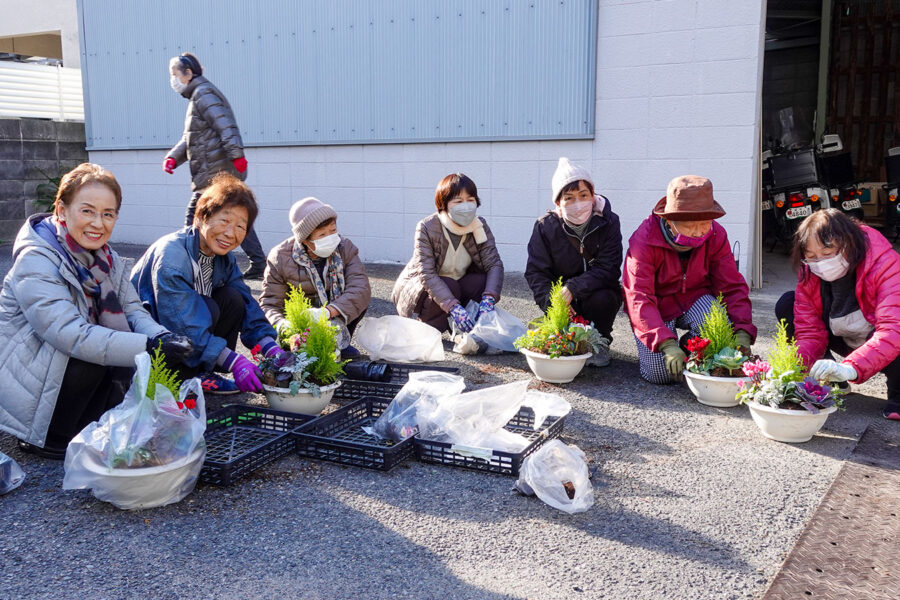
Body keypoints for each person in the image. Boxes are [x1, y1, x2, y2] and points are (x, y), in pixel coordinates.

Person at [0, 164, 192, 459]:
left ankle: (86, 424)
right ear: (62, 211)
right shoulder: (36, 260)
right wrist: (148, 346)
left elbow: (131, 311)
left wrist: (163, 337)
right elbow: (70, 335)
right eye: (87, 211)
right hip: (31, 386)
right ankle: (49, 437)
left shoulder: (105, 257)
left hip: (62, 369)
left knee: (117, 345)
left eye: (108, 213)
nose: (98, 223)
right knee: (95, 351)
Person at [131, 173, 287, 395]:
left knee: (232, 298)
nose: (230, 233)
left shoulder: (223, 257)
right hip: (151, 344)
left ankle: (202, 373)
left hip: (186, 337)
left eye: (241, 227)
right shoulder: (172, 258)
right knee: (208, 307)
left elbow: (246, 301)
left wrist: (270, 347)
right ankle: (180, 378)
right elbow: (181, 323)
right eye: (224, 220)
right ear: (202, 217)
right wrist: (233, 361)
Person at [622, 175, 755, 384]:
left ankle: (687, 346)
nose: (698, 232)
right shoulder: (644, 240)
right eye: (689, 225)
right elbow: (638, 297)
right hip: (658, 306)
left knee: (717, 338)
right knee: (661, 375)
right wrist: (665, 343)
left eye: (704, 224)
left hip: (696, 298)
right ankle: (672, 344)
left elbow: (731, 284)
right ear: (668, 219)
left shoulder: (716, 235)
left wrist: (742, 328)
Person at [775, 209, 900, 420]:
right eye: (811, 256)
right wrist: (792, 367)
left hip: (884, 340)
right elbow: (809, 331)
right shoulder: (809, 273)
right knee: (787, 304)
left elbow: (893, 330)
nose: (821, 263)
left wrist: (851, 367)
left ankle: (897, 391)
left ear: (849, 242)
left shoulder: (886, 264)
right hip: (844, 337)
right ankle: (830, 377)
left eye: (827, 253)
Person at [163, 52, 266, 279]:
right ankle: (258, 263)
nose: (173, 80)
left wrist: (237, 155)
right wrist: (173, 158)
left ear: (188, 73)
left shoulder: (204, 94)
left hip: (216, 175)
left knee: (194, 218)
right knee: (235, 218)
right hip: (212, 173)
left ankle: (187, 265)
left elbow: (226, 126)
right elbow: (190, 138)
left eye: (175, 74)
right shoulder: (198, 96)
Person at [525, 157, 623, 366]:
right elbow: (536, 273)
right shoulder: (545, 227)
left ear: (593, 195)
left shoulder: (609, 221)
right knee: (557, 345)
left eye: (583, 195)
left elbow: (609, 267)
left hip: (594, 293)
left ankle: (600, 341)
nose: (578, 203)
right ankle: (566, 336)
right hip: (562, 300)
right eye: (569, 197)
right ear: (558, 202)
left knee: (605, 297)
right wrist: (553, 304)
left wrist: (573, 287)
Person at [260, 197, 372, 359]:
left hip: (332, 314)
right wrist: (284, 325)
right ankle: (300, 347)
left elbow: (360, 288)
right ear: (305, 239)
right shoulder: (280, 257)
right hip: (300, 322)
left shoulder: (345, 247)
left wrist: (327, 312)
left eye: (333, 231)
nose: (331, 237)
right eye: (322, 234)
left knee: (359, 300)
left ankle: (339, 342)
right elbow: (270, 303)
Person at [392, 173, 504, 334]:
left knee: (480, 281)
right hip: (423, 287)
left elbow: (494, 264)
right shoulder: (427, 227)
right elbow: (427, 274)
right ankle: (429, 326)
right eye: (458, 201)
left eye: (470, 200)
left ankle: (466, 326)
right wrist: (453, 307)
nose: (466, 206)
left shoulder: (479, 226)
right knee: (448, 285)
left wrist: (489, 299)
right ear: (443, 204)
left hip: (457, 284)